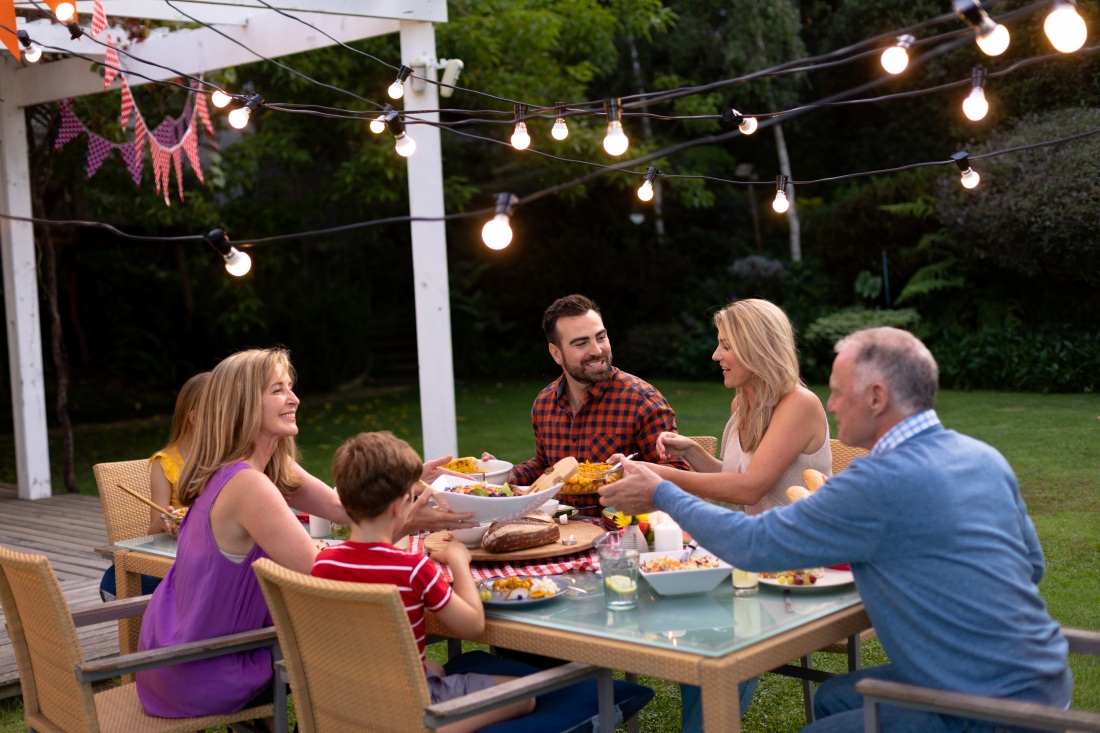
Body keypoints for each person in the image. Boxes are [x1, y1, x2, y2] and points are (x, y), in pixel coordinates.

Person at [599, 327, 1072, 733]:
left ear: (876, 397)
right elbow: (1032, 566)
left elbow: (751, 544)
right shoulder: (981, 455)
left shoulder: (878, 481)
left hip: (985, 709)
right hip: (1046, 681)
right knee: (836, 698)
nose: (829, 403)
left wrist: (661, 492)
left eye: (839, 390)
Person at [136, 348, 477, 723]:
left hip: (173, 655)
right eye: (278, 389)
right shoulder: (249, 486)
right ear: (244, 405)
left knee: (407, 664)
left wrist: (403, 483)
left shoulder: (255, 469)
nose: (294, 398)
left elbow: (344, 506)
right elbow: (331, 582)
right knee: (388, 661)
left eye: (290, 387)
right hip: (206, 668)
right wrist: (407, 524)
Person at [312, 431, 536, 733]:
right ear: (401, 505)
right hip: (408, 705)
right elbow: (472, 627)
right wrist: (459, 561)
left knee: (434, 667)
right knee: (524, 697)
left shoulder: (325, 562)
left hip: (352, 697)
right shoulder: (413, 568)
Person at [615, 298, 831, 513]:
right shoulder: (741, 405)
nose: (715, 355)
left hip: (803, 541)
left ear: (759, 350)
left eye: (726, 346)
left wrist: (657, 475)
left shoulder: (799, 405)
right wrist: (692, 451)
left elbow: (749, 489)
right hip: (761, 537)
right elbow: (738, 479)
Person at [494, 294, 689, 486]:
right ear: (556, 354)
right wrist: (509, 474)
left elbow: (679, 476)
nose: (597, 350)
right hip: (564, 517)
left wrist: (631, 472)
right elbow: (546, 466)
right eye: (581, 343)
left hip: (625, 517)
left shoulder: (642, 400)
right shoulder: (544, 403)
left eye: (601, 337)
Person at [98, 371, 209, 602]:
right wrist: (164, 520)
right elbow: (152, 531)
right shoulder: (165, 462)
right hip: (180, 553)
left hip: (213, 551)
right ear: (196, 417)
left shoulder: (229, 458)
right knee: (118, 581)